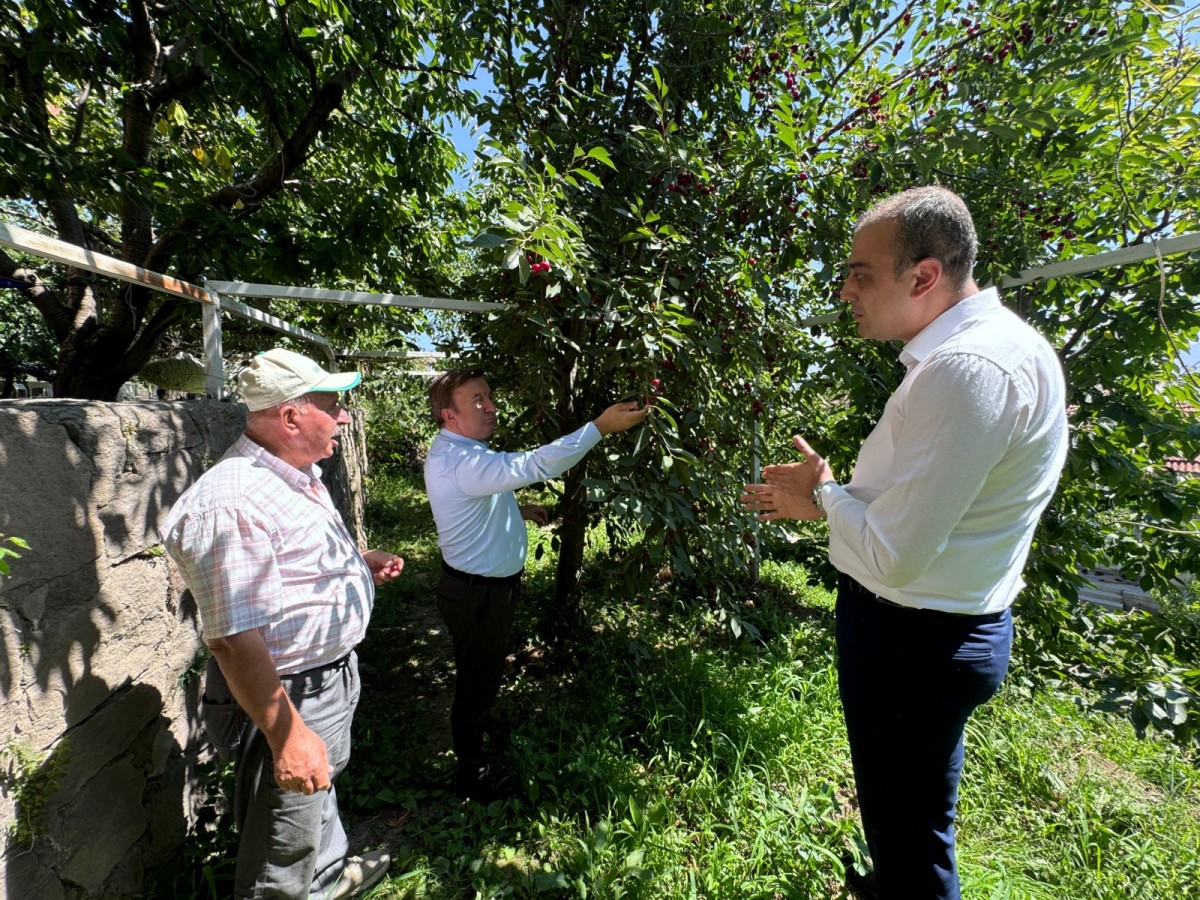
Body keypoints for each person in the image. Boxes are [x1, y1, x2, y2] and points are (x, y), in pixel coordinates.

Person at [740, 186, 1068, 899]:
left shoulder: (966, 371)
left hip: (913, 638)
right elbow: (922, 510)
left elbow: (896, 554)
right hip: (939, 627)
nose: (845, 290)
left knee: (915, 841)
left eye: (861, 273)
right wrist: (831, 499)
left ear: (923, 276)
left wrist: (826, 495)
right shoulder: (992, 351)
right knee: (907, 819)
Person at [161, 348, 404, 900]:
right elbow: (231, 638)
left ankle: (326, 878)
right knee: (280, 842)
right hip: (286, 693)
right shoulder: (232, 501)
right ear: (290, 417)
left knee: (314, 794)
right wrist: (289, 735)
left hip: (321, 680)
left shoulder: (291, 475)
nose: (343, 416)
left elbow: (284, 564)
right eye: (332, 405)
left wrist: (354, 563)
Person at [424, 369, 649, 799]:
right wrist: (599, 427)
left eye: (489, 396)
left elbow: (485, 488)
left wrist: (515, 509)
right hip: (479, 593)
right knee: (476, 679)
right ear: (449, 415)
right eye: (477, 400)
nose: (491, 406)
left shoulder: (461, 452)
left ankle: (481, 717)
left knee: (478, 667)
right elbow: (533, 464)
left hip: (474, 588)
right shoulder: (464, 462)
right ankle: (473, 775)